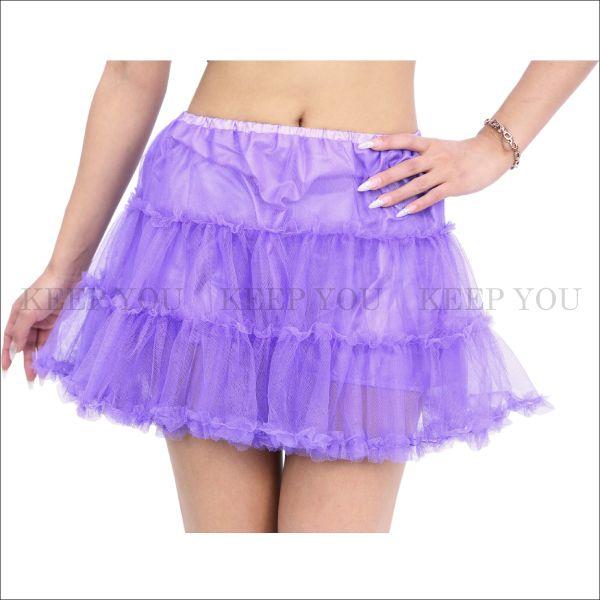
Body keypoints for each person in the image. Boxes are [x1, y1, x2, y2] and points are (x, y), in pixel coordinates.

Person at [2, 61, 596, 533]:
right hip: (209, 209)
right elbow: (133, 70)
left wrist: (495, 147)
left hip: (370, 208)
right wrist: (62, 270)